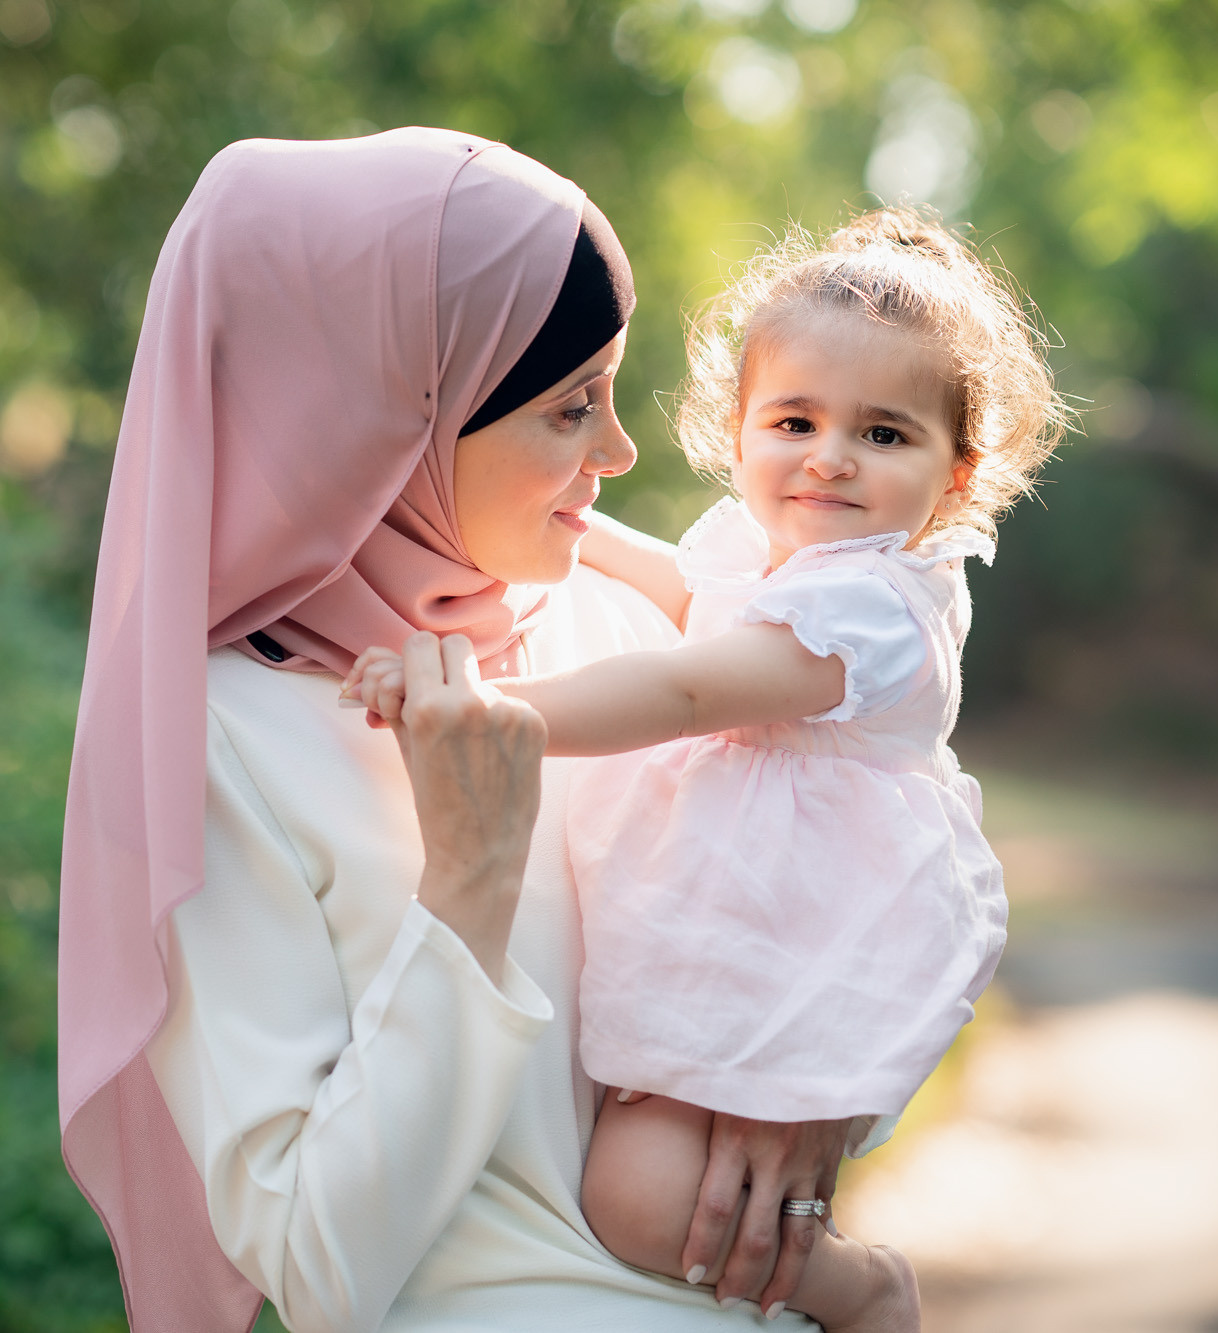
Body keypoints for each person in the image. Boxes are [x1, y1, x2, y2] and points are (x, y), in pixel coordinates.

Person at [58, 127, 861, 1333]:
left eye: (609, 394)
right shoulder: (220, 738)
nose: (617, 451)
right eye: (566, 407)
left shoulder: (620, 631)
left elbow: (835, 884)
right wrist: (467, 887)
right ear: (390, 416)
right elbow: (320, 1266)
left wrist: (805, 1099)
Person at [346, 208, 1068, 1332]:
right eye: (794, 419)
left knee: (638, 1197)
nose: (827, 455)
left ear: (956, 474)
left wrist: (488, 712)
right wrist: (545, 514)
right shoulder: (769, 553)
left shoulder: (878, 608)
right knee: (647, 1166)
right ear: (736, 432)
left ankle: (864, 1290)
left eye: (882, 435)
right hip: (730, 902)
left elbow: (688, 688)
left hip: (802, 927)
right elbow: (686, 590)